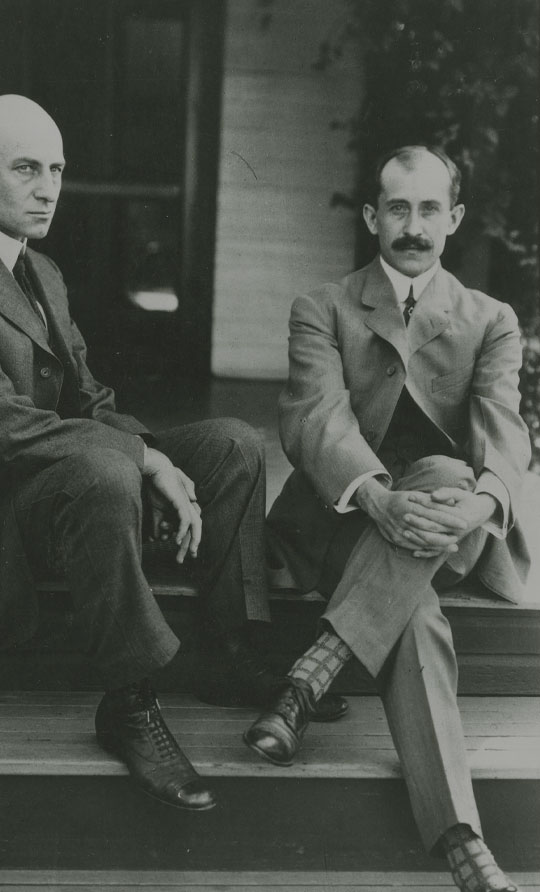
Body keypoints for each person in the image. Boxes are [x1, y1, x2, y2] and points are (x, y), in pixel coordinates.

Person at [0, 94, 345, 813]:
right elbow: (6, 429)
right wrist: (144, 459)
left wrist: (153, 453)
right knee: (107, 467)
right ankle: (128, 704)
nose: (48, 189)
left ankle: (223, 652)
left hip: (55, 489)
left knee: (231, 444)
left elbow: (88, 400)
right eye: (27, 168)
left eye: (58, 169)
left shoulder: (39, 270)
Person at [245, 146, 530, 892]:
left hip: (444, 523)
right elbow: (315, 422)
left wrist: (475, 503)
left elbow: (504, 430)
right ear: (373, 217)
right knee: (419, 619)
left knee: (447, 473)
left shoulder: (490, 318)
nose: (413, 226)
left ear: (454, 219)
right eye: (398, 208)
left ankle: (310, 677)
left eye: (429, 208)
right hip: (345, 517)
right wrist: (375, 497)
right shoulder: (324, 307)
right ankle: (464, 841)